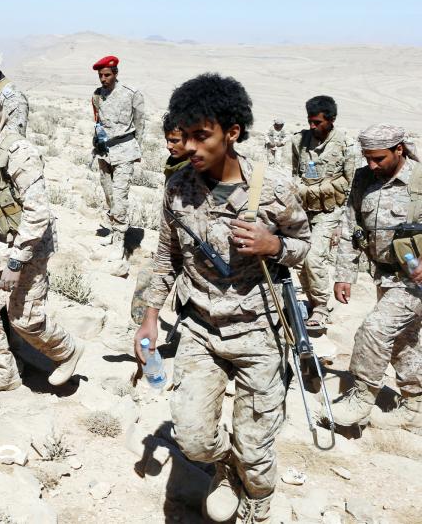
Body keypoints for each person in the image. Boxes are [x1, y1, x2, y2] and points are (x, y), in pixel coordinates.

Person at [135, 73, 310, 523]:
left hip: (259, 331)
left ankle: (255, 497)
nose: (189, 148)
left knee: (256, 448)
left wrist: (275, 246)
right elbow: (165, 257)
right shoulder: (178, 189)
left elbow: (304, 244)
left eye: (201, 136)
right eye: (185, 136)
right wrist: (150, 316)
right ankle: (223, 467)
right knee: (191, 438)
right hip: (199, 327)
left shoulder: (270, 190)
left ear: (232, 133)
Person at [0, 84, 85, 395]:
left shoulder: (19, 153)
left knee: (24, 319)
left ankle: (67, 351)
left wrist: (16, 259)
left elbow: (38, 213)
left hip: (28, 245)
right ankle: (4, 371)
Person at [330, 124, 422, 432]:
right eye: (367, 158)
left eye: (379, 158)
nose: (372, 165)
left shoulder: (420, 181)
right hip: (383, 277)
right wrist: (345, 275)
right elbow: (350, 228)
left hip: (415, 281)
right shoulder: (363, 178)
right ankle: (415, 406)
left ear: (399, 150)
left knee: (374, 329)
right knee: (401, 340)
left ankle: (362, 395)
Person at [290, 96, 357, 332]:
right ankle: (311, 300)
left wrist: (342, 223)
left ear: (331, 120)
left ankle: (320, 306)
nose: (312, 126)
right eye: (310, 121)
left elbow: (351, 186)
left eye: (317, 122)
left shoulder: (346, 146)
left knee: (313, 257)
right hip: (303, 210)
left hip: (330, 212)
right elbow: (294, 173)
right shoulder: (299, 141)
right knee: (299, 258)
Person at [129, 113, 191, 325]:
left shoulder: (194, 171)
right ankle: (142, 325)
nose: (168, 146)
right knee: (147, 277)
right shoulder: (176, 164)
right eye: (167, 139)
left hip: (192, 250)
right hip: (174, 243)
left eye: (174, 140)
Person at [91, 55, 145, 255]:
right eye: (100, 75)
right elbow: (98, 122)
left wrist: (137, 149)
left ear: (115, 73)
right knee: (109, 195)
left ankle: (119, 241)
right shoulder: (98, 95)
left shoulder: (131, 94)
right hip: (105, 152)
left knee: (120, 196)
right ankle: (113, 231)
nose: (103, 79)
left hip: (125, 150)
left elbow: (140, 124)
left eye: (107, 75)